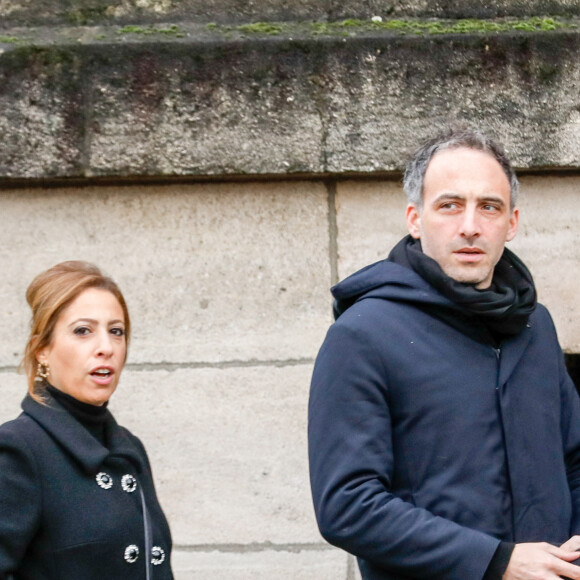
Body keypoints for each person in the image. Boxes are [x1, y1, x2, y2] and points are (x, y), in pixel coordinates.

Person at [308, 127, 580, 580]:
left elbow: (575, 459)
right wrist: (497, 562)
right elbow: (347, 505)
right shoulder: (362, 335)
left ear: (511, 222)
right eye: (450, 205)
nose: (470, 225)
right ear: (415, 219)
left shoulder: (536, 326)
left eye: (489, 207)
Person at [0, 261, 173, 578]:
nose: (106, 347)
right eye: (83, 331)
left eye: (116, 332)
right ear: (42, 349)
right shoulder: (16, 449)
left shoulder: (128, 448)